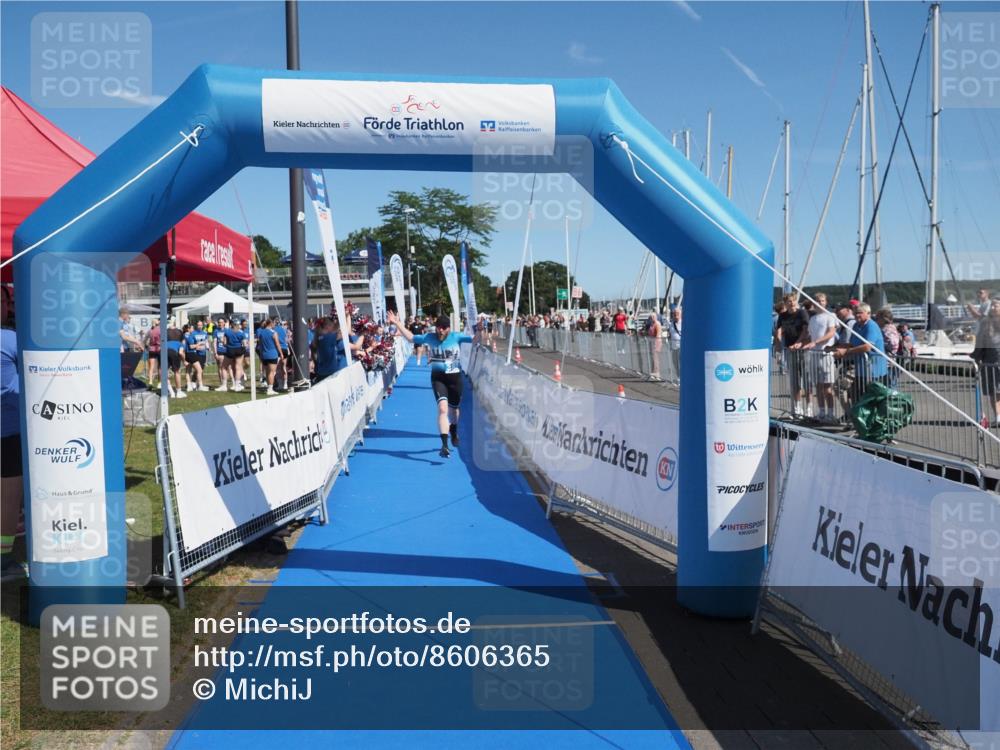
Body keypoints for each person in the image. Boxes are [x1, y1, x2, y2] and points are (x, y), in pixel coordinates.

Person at [389, 310, 474, 458]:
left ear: (448, 328)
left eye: (443, 328)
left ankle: (454, 430)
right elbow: (410, 338)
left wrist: (480, 330)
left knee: (454, 411)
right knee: (442, 409)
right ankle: (444, 445)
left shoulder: (457, 337)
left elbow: (475, 340)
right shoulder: (429, 337)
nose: (440, 330)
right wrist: (397, 323)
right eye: (438, 327)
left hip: (455, 380)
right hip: (438, 379)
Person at [1, 286, 26, 580]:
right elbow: (15, 390)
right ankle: (3, 561)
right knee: (8, 498)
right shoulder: (9, 339)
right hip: (8, 431)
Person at [834, 302, 887, 407]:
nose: (857, 315)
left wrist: (846, 352)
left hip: (874, 369)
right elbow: (853, 343)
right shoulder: (856, 325)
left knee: (870, 398)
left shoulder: (871, 326)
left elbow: (867, 346)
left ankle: (861, 417)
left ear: (868, 313)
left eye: (860, 313)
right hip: (860, 369)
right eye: (855, 313)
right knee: (852, 394)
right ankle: (852, 415)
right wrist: (835, 347)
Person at [801, 293, 838, 424]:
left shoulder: (830, 316)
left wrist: (816, 342)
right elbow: (809, 336)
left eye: (822, 300)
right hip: (814, 354)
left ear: (826, 302)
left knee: (828, 386)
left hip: (826, 354)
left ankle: (831, 413)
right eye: (818, 301)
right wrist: (801, 343)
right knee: (818, 386)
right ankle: (821, 412)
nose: (820, 303)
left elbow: (831, 333)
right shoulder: (813, 319)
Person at [775, 293, 811, 418]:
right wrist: (778, 346)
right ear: (785, 303)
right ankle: (797, 408)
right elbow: (779, 331)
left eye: (793, 301)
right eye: (789, 301)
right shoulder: (783, 316)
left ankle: (809, 408)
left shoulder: (802, 313)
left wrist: (798, 343)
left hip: (803, 349)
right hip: (790, 349)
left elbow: (805, 330)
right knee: (795, 381)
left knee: (807, 380)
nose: (791, 303)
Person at [972, 297, 1000, 427]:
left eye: (996, 305)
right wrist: (976, 356)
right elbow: (980, 341)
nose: (993, 308)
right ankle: (998, 417)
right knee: (993, 391)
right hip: (990, 361)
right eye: (992, 305)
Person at [256, 318, 284, 395]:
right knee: (271, 372)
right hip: (272, 354)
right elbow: (277, 344)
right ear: (271, 324)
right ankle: (270, 389)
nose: (274, 325)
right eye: (274, 323)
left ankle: (269, 387)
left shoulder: (261, 333)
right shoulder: (273, 333)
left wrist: (261, 354)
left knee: (268, 372)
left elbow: (260, 345)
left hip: (264, 355)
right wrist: (281, 353)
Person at [223, 319, 248, 392]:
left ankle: (224, 385)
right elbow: (244, 344)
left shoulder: (227, 332)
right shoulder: (241, 333)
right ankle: (237, 385)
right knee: (238, 367)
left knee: (224, 367)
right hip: (239, 350)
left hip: (230, 349)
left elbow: (224, 343)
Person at [164, 324, 187, 399]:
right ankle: (179, 392)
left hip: (164, 351)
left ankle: (171, 392)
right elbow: (181, 353)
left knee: (165, 373)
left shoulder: (166, 342)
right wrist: (184, 361)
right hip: (174, 353)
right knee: (176, 372)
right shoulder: (180, 343)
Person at [213, 318, 231, 391]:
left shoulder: (227, 330)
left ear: (224, 323)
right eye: (219, 322)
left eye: (221, 322)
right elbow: (214, 342)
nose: (220, 324)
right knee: (220, 367)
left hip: (226, 351)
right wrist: (215, 352)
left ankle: (225, 384)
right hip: (219, 351)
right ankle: (222, 383)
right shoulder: (216, 331)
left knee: (225, 368)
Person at [645, 310, 663, 380]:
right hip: (651, 342)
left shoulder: (657, 324)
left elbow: (658, 334)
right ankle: (653, 372)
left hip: (656, 343)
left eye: (653, 317)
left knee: (655, 358)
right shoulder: (651, 324)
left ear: (656, 317)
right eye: (651, 317)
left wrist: (655, 343)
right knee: (652, 358)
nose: (652, 318)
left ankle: (657, 373)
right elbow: (649, 333)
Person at [144, 320, 161, 389]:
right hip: (160, 349)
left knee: (151, 367)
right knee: (160, 367)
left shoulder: (150, 331)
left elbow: (145, 340)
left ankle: (150, 382)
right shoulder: (161, 330)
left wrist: (146, 346)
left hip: (151, 349)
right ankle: (160, 382)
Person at [666, 306, 682, 380]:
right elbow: (670, 333)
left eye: (677, 314)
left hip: (681, 346)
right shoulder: (671, 324)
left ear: (680, 314)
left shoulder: (683, 323)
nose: (676, 316)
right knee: (675, 362)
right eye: (674, 314)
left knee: (680, 362)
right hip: (673, 346)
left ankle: (681, 378)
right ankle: (678, 376)